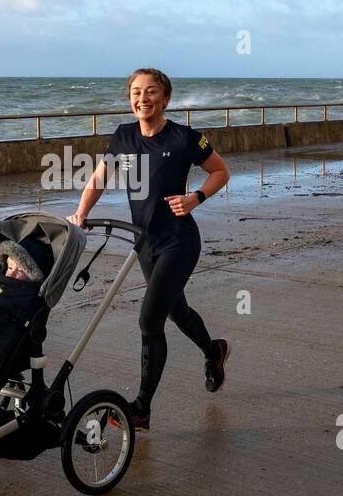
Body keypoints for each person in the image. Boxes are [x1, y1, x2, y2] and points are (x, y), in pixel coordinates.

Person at [67, 68, 231, 430]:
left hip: (179, 241)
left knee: (149, 320)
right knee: (177, 311)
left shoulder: (185, 138)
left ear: (166, 98)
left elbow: (220, 172)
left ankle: (141, 409)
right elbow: (99, 178)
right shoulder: (124, 137)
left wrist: (195, 198)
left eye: (151, 91)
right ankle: (213, 350)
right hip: (145, 243)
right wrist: (81, 212)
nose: (143, 98)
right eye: (136, 92)